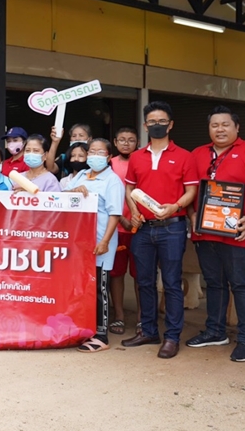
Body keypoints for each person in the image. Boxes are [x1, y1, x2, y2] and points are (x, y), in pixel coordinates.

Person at [186, 106, 245, 363]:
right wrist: (192, 214)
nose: (220, 129)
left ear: (237, 127)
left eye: (225, 124)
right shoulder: (198, 154)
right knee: (214, 283)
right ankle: (215, 331)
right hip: (205, 232)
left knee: (241, 284)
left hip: (240, 232)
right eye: (215, 125)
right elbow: (189, 189)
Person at [121, 102, 198, 359]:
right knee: (144, 282)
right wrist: (134, 211)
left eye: (162, 121)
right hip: (143, 229)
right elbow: (130, 189)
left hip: (172, 227)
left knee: (172, 283)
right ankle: (148, 331)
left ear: (170, 124)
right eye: (152, 122)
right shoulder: (137, 156)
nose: (157, 125)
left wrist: (175, 206)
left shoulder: (184, 156)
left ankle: (172, 337)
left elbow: (191, 191)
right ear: (145, 126)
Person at [65, 138, 123, 353]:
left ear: (109, 157)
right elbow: (62, 196)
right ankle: (84, 329)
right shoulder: (81, 175)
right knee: (82, 288)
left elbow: (115, 214)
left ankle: (101, 334)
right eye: (92, 152)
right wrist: (73, 190)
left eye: (100, 153)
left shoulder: (112, 181)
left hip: (100, 243)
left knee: (99, 287)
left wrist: (105, 241)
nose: (95, 156)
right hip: (79, 242)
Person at [109, 127, 140, 335]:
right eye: (122, 140)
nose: (126, 143)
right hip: (116, 229)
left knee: (141, 276)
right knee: (117, 274)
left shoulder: (142, 162)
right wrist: (121, 218)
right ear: (115, 142)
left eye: (131, 140)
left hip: (140, 227)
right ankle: (119, 316)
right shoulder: (109, 164)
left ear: (137, 142)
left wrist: (135, 219)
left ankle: (142, 318)